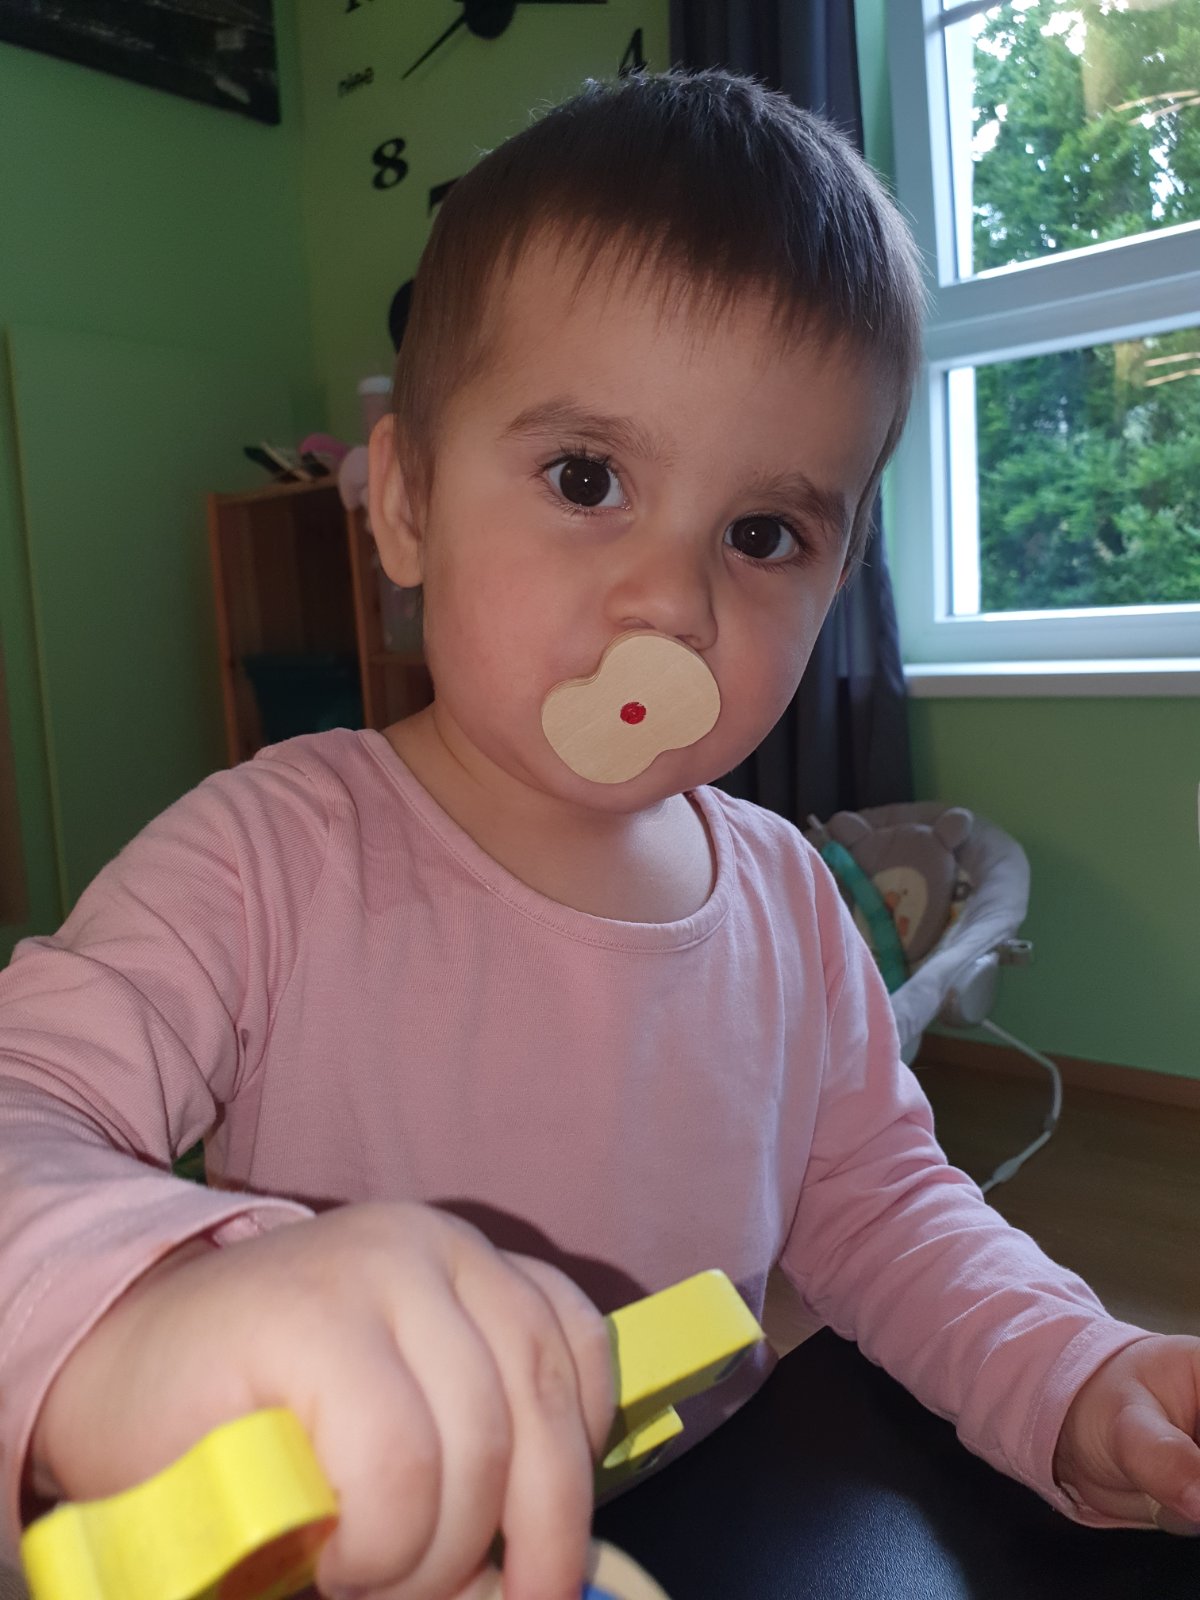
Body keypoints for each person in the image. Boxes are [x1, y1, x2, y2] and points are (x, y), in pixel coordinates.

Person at [1, 68, 1198, 1600]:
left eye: (762, 534)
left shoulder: (791, 900)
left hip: (699, 1526)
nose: (671, 603)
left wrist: (1070, 1372)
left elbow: (884, 1209)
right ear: (406, 507)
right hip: (366, 1555)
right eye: (588, 480)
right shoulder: (265, 857)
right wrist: (144, 1314)